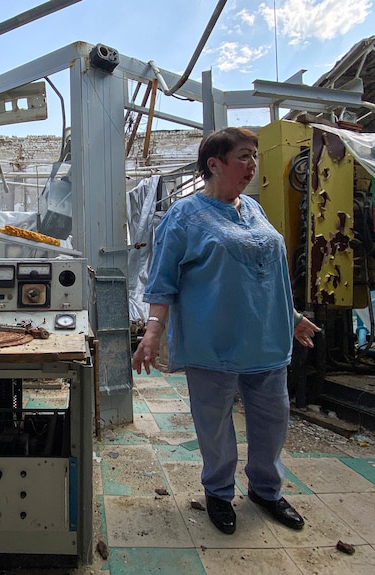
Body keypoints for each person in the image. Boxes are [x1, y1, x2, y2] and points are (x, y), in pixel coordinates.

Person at [132, 127, 321, 535]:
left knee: (272, 420)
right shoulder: (183, 216)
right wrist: (152, 331)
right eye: (243, 156)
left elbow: (267, 272)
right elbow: (162, 281)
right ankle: (219, 492)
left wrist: (291, 317)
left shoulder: (254, 209)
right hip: (212, 341)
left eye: (254, 156)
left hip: (266, 339)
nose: (252, 165)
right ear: (213, 164)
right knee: (215, 424)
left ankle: (266, 491)